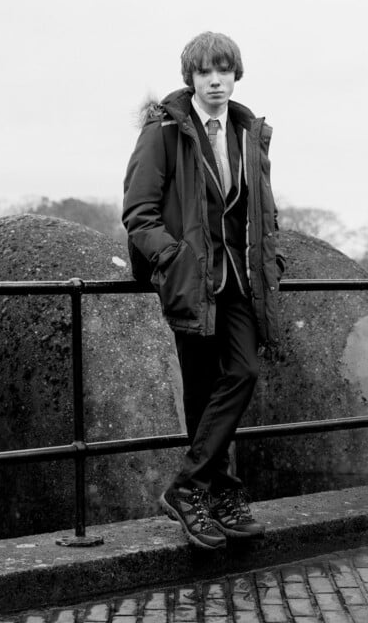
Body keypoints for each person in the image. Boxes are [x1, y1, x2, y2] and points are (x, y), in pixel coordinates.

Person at [122, 31, 284, 550]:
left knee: (242, 372)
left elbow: (265, 207)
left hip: (240, 280)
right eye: (204, 72)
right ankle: (217, 497)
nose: (215, 81)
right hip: (193, 282)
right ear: (190, 78)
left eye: (224, 71)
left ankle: (188, 487)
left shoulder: (247, 132)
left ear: (236, 75)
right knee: (200, 395)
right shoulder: (165, 132)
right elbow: (138, 213)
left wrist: (272, 254)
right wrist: (173, 259)